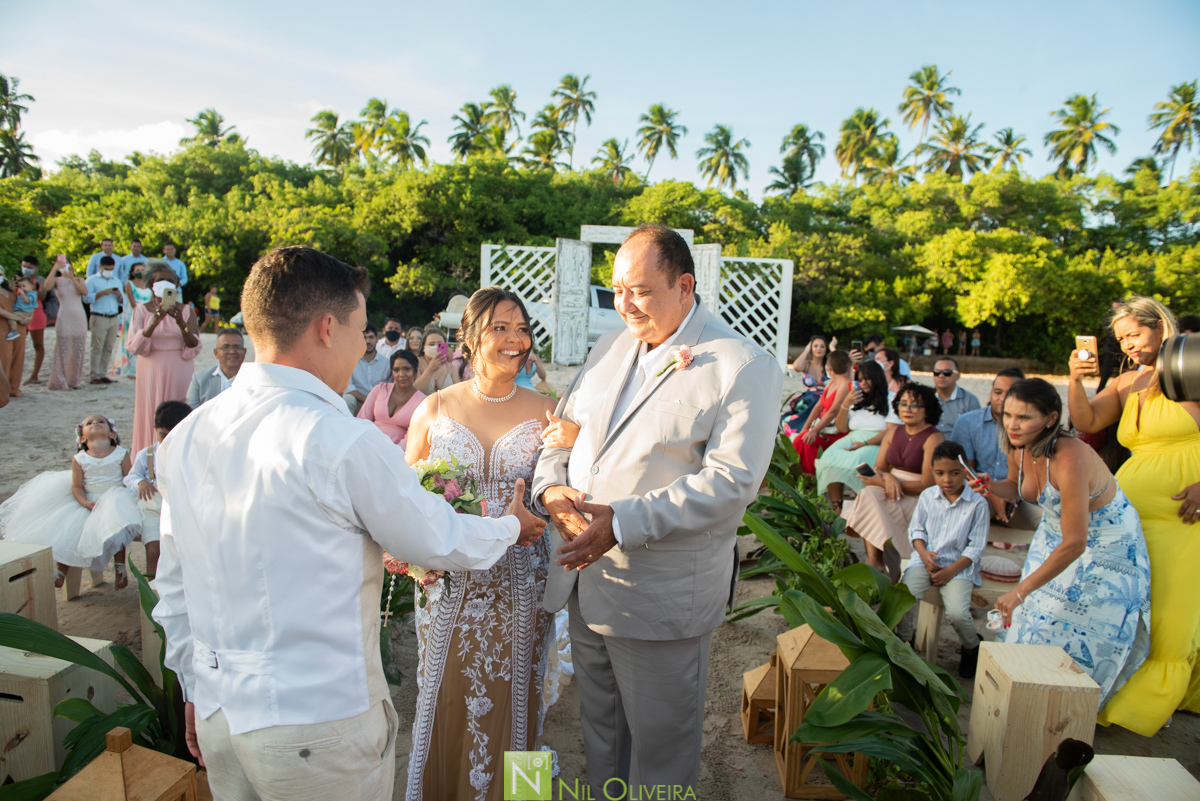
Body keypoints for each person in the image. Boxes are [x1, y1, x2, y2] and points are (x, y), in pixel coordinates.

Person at [151, 246, 544, 801]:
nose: (367, 347)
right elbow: (432, 536)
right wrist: (508, 527)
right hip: (318, 725)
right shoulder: (337, 439)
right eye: (361, 331)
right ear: (327, 327)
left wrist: (193, 685)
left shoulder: (188, 435)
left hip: (220, 714)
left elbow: (173, 584)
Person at [532, 224, 782, 797]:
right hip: (585, 583)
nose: (624, 304)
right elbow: (563, 432)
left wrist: (620, 522)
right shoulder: (609, 345)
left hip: (662, 596)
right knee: (601, 740)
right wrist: (550, 490)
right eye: (617, 289)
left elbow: (731, 482)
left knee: (661, 756)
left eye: (640, 290)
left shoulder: (742, 366)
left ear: (684, 286)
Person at [403, 287, 561, 801]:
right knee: (443, 698)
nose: (515, 340)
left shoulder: (548, 412)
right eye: (500, 328)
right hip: (452, 587)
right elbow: (405, 500)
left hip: (522, 586)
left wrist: (547, 513)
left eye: (522, 329)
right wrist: (408, 561)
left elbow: (563, 490)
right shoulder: (434, 408)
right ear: (469, 339)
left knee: (520, 704)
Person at [1066, 296, 1200, 735]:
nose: (1128, 345)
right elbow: (1085, 419)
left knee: (1170, 616)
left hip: (1184, 519)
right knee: (1126, 606)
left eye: (1135, 334)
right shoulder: (1128, 382)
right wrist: (1075, 379)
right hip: (1129, 516)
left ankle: (1144, 710)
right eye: (1122, 339)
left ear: (1160, 327)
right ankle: (1116, 697)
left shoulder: (1192, 364)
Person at [979, 378, 1152, 709]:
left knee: (1075, 628)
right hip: (1056, 533)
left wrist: (1020, 589)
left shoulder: (1069, 455)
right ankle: (1026, 704)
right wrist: (990, 487)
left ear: (1050, 418)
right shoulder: (1020, 444)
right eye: (1007, 414)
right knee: (1032, 620)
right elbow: (1020, 489)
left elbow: (1077, 542)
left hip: (1106, 543)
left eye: (1024, 417)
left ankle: (1066, 711)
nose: (1012, 425)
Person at [0, 415, 142, 590]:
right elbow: (76, 486)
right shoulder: (80, 458)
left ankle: (120, 569)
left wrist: (130, 498)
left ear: (112, 434)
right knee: (70, 530)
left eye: (100, 422)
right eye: (89, 423)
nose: (95, 423)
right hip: (88, 499)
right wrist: (85, 503)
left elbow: (128, 479)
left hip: (116, 497)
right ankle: (61, 572)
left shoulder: (121, 453)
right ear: (82, 438)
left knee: (116, 526)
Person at [897, 441, 990, 678]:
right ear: (932, 471)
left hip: (959, 567)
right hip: (924, 561)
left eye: (955, 473)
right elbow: (916, 532)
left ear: (966, 470)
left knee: (958, 614)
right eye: (939, 473)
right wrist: (924, 554)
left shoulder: (978, 503)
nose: (947, 480)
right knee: (904, 597)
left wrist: (951, 571)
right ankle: (904, 644)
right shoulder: (927, 496)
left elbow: (976, 546)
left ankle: (971, 647)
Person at [843, 382, 945, 581]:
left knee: (870, 496)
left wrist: (884, 482)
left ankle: (876, 563)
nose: (907, 409)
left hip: (917, 498)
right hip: (889, 489)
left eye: (915, 405)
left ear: (927, 410)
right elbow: (879, 469)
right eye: (903, 404)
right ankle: (877, 562)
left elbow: (928, 485)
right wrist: (888, 477)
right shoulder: (893, 432)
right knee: (869, 494)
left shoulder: (934, 438)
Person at [950, 367, 1042, 529]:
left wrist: (1011, 495)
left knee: (1052, 521)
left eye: (1011, 393)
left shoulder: (1033, 425)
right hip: (979, 494)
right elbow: (964, 471)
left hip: (1020, 497)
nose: (1003, 398)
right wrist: (992, 495)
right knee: (966, 511)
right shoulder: (968, 422)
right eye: (998, 392)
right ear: (990, 393)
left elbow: (1035, 477)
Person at [127, 265, 202, 453]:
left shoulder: (186, 311)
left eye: (170, 280)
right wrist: (154, 321)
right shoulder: (141, 310)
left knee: (180, 410)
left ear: (177, 285)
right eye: (160, 280)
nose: (165, 284)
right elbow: (135, 346)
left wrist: (181, 323)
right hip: (151, 368)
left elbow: (194, 345)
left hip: (180, 367)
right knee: (151, 412)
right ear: (152, 284)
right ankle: (149, 460)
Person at [815, 360, 897, 514]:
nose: (863, 383)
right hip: (853, 438)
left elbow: (890, 431)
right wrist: (846, 403)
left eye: (867, 379)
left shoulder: (891, 399)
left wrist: (864, 443)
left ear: (877, 378)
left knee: (858, 460)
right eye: (860, 379)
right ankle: (837, 509)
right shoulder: (857, 398)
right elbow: (842, 427)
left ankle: (863, 508)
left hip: (879, 441)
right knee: (828, 458)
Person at [124, 400, 191, 578]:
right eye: (162, 435)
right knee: (153, 550)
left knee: (181, 550)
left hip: (179, 509)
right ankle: (153, 591)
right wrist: (140, 482)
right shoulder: (146, 454)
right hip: (152, 509)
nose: (167, 441)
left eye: (173, 436)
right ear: (154, 428)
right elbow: (130, 476)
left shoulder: (190, 452)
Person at [793, 349, 853, 474]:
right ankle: (801, 476)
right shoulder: (831, 382)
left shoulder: (845, 384)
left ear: (829, 367)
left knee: (808, 442)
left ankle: (813, 477)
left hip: (836, 430)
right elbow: (818, 407)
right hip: (824, 427)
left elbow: (833, 411)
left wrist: (814, 431)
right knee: (799, 439)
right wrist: (806, 427)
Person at [358, 349, 424, 447]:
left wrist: (394, 453)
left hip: (398, 452)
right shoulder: (379, 390)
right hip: (368, 444)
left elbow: (413, 436)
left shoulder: (422, 402)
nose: (401, 374)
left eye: (406, 369)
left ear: (415, 370)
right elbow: (362, 419)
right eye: (396, 370)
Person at [43, 255, 89, 391]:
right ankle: (59, 381)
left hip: (79, 316)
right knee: (63, 348)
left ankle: (74, 380)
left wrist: (72, 278)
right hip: (64, 315)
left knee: (77, 348)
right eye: (62, 265)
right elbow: (46, 286)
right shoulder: (56, 281)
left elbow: (84, 292)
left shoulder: (79, 279)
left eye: (66, 264)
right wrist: (54, 269)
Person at [85, 255, 125, 385]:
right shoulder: (91, 280)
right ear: (100, 267)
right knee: (96, 347)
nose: (109, 271)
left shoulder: (116, 281)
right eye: (106, 268)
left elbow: (121, 302)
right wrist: (102, 293)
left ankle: (103, 373)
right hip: (99, 315)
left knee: (109, 347)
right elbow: (86, 299)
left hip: (113, 317)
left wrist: (119, 296)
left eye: (111, 268)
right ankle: (94, 375)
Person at [112, 261, 154, 379]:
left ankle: (143, 368)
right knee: (132, 340)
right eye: (137, 270)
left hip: (147, 315)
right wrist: (139, 311)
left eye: (142, 270)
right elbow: (132, 301)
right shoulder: (129, 284)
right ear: (132, 272)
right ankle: (131, 370)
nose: (140, 272)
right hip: (133, 314)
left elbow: (152, 300)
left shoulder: (149, 284)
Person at [784, 335, 831, 436]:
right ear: (811, 348)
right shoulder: (807, 364)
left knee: (819, 399)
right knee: (813, 398)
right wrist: (805, 351)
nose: (819, 349)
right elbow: (796, 367)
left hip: (824, 398)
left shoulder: (829, 366)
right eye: (815, 346)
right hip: (808, 399)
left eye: (822, 346)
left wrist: (833, 349)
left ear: (826, 349)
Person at [186, 330, 247, 408]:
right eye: (225, 347)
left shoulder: (253, 380)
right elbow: (191, 413)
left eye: (237, 346)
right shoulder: (199, 380)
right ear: (216, 353)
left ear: (244, 352)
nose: (232, 351)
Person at [343, 324, 390, 415]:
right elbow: (348, 388)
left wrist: (375, 402)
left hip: (379, 404)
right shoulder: (351, 361)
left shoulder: (386, 363)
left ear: (377, 339)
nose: (368, 341)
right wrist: (367, 401)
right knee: (347, 399)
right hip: (359, 402)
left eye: (371, 337)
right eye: (364, 337)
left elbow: (390, 387)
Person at [931, 357, 980, 437]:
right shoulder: (923, 397)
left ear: (957, 375)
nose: (941, 376)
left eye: (947, 372)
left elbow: (976, 430)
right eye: (937, 372)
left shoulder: (970, 400)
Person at [21, 257, 48, 385]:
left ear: (35, 267)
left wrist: (30, 288)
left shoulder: (40, 280)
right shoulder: (18, 279)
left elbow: (42, 295)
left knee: (37, 344)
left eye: (29, 267)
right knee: (18, 344)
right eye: (24, 266)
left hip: (36, 314)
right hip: (20, 314)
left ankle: (34, 375)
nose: (26, 269)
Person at [415, 328, 458, 394]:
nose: (435, 347)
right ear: (423, 347)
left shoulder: (450, 367)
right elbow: (414, 391)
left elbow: (458, 392)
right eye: (431, 344)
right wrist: (430, 369)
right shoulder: (416, 363)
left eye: (439, 344)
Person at [6, 275, 37, 342]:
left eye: (24, 286)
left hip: (25, 312)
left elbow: (27, 301)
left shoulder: (31, 294)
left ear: (31, 286)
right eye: (20, 287)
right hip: (23, 311)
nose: (21, 288)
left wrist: (22, 294)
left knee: (12, 317)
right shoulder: (25, 293)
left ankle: (14, 331)